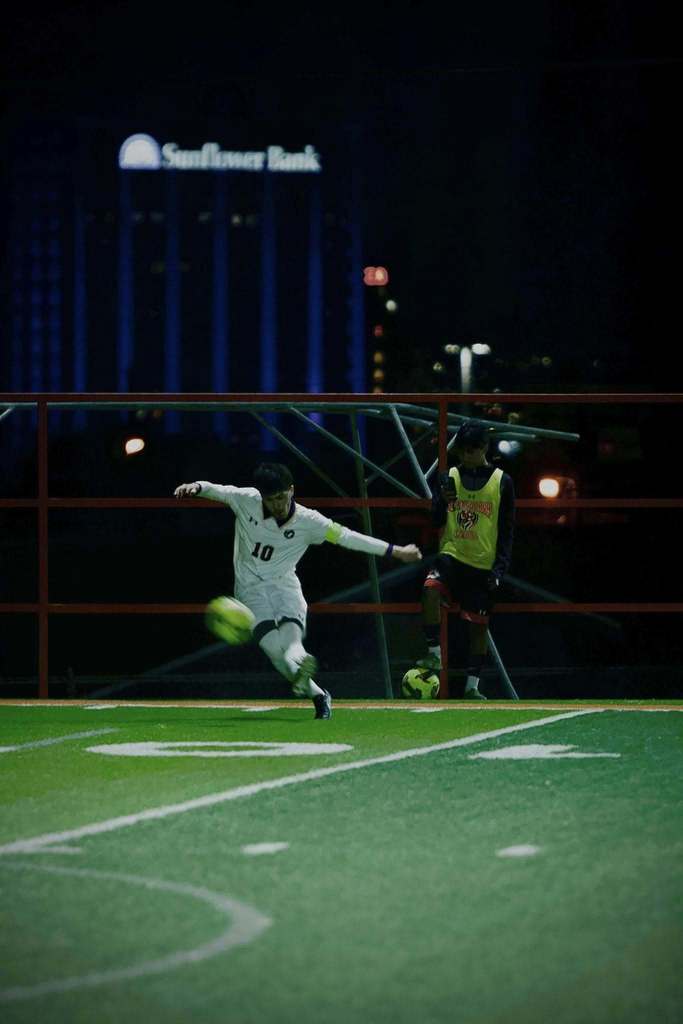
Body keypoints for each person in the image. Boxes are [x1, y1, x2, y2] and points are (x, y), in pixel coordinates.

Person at [175, 463, 423, 718]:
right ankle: (318, 694)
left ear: (291, 490)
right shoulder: (247, 500)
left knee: (291, 645)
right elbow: (220, 491)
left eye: (282, 496)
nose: (278, 504)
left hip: (285, 587)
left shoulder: (309, 521)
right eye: (271, 500)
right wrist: (196, 487)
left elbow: (348, 537)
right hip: (249, 592)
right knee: (273, 649)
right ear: (262, 496)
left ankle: (304, 667)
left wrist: (396, 551)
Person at [416, 419, 515, 700]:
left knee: (477, 626)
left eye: (471, 451)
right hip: (452, 555)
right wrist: (442, 501)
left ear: (483, 448)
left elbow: (507, 530)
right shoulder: (450, 477)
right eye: (462, 451)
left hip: (482, 563)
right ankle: (434, 654)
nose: (465, 456)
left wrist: (500, 569)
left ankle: (472, 687)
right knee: (429, 589)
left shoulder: (502, 482)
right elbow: (435, 520)